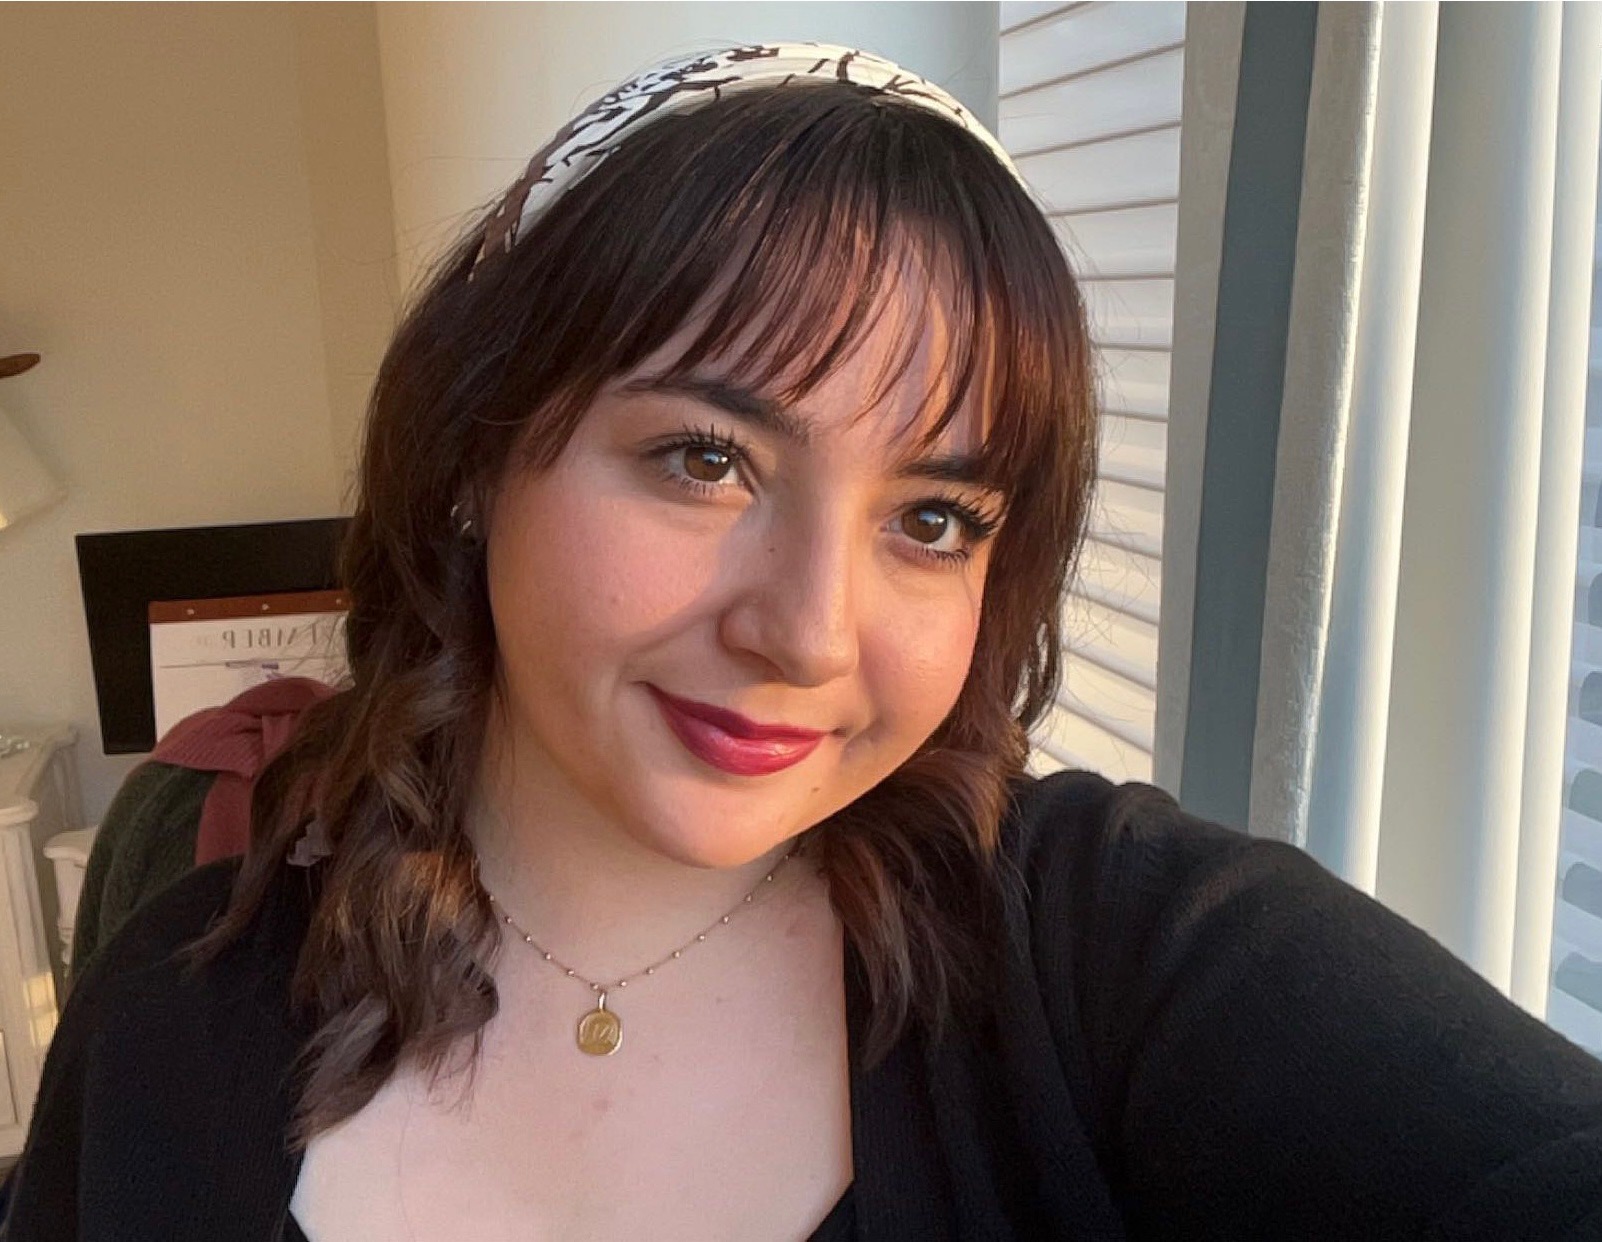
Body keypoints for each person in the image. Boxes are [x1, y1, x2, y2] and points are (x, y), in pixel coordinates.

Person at [5, 42, 1602, 1242]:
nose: (807, 632)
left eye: (933, 518)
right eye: (706, 457)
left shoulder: (1103, 955)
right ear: (474, 456)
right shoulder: (163, 1021)